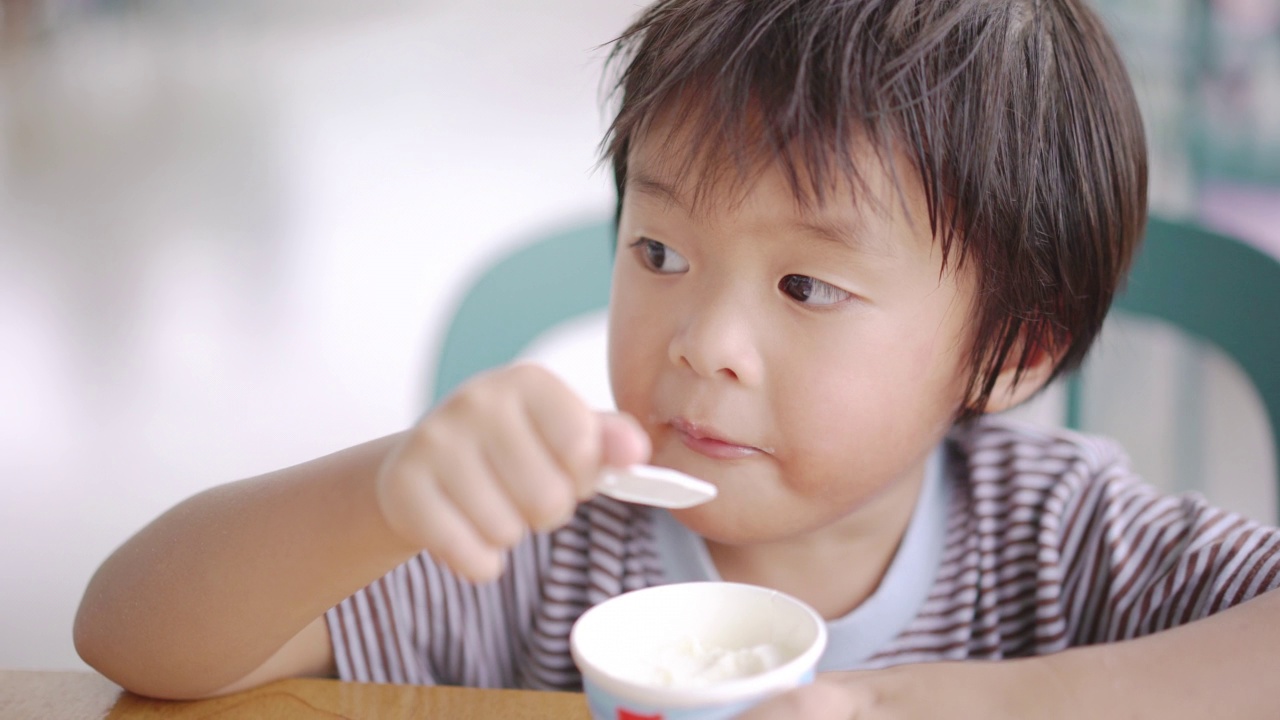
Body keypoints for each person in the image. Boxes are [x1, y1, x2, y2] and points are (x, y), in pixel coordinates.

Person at [75, 0, 1280, 717]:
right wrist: (381, 491)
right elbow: (132, 640)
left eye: (808, 285)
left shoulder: (1059, 541)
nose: (703, 343)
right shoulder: (546, 551)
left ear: (1011, 349)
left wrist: (975, 703)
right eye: (657, 249)